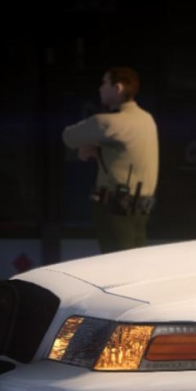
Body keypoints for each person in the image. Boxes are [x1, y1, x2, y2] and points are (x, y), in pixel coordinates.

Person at [63, 67, 158, 252]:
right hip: (141, 210)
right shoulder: (147, 120)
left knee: (116, 262)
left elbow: (68, 137)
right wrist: (101, 149)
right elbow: (128, 151)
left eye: (104, 83)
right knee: (134, 263)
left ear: (118, 88)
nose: (100, 88)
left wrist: (92, 144)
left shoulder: (107, 122)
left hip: (115, 209)